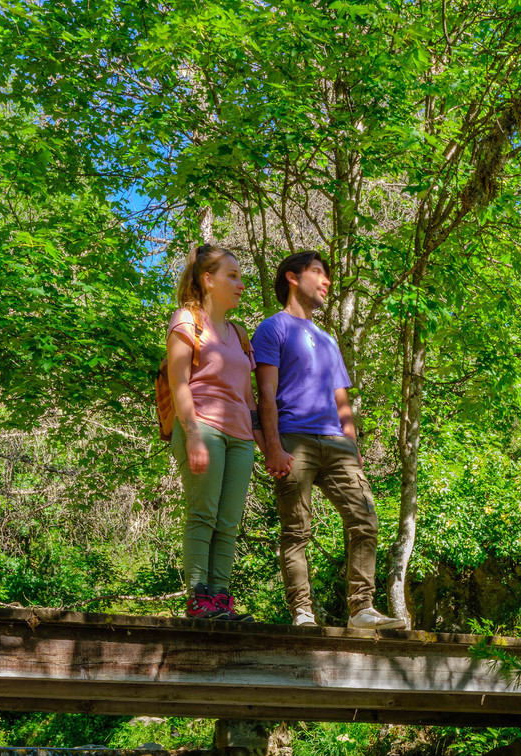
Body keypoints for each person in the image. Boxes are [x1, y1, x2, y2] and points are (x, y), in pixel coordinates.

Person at [252, 251, 399, 630]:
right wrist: (272, 446)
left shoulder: (328, 340)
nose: (327, 281)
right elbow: (265, 394)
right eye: (318, 272)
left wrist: (352, 446)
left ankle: (362, 610)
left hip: (337, 444)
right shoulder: (272, 329)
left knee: (365, 520)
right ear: (292, 278)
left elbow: (341, 400)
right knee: (296, 530)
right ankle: (303, 612)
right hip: (293, 440)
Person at [157, 243, 268, 623]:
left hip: (239, 437)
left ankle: (221, 598)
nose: (240, 284)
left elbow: (249, 398)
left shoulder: (239, 335)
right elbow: (179, 385)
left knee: (229, 520)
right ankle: (199, 599)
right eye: (232, 276)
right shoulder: (186, 322)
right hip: (202, 426)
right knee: (203, 513)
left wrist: (268, 446)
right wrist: (193, 436)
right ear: (208, 279)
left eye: (240, 277)